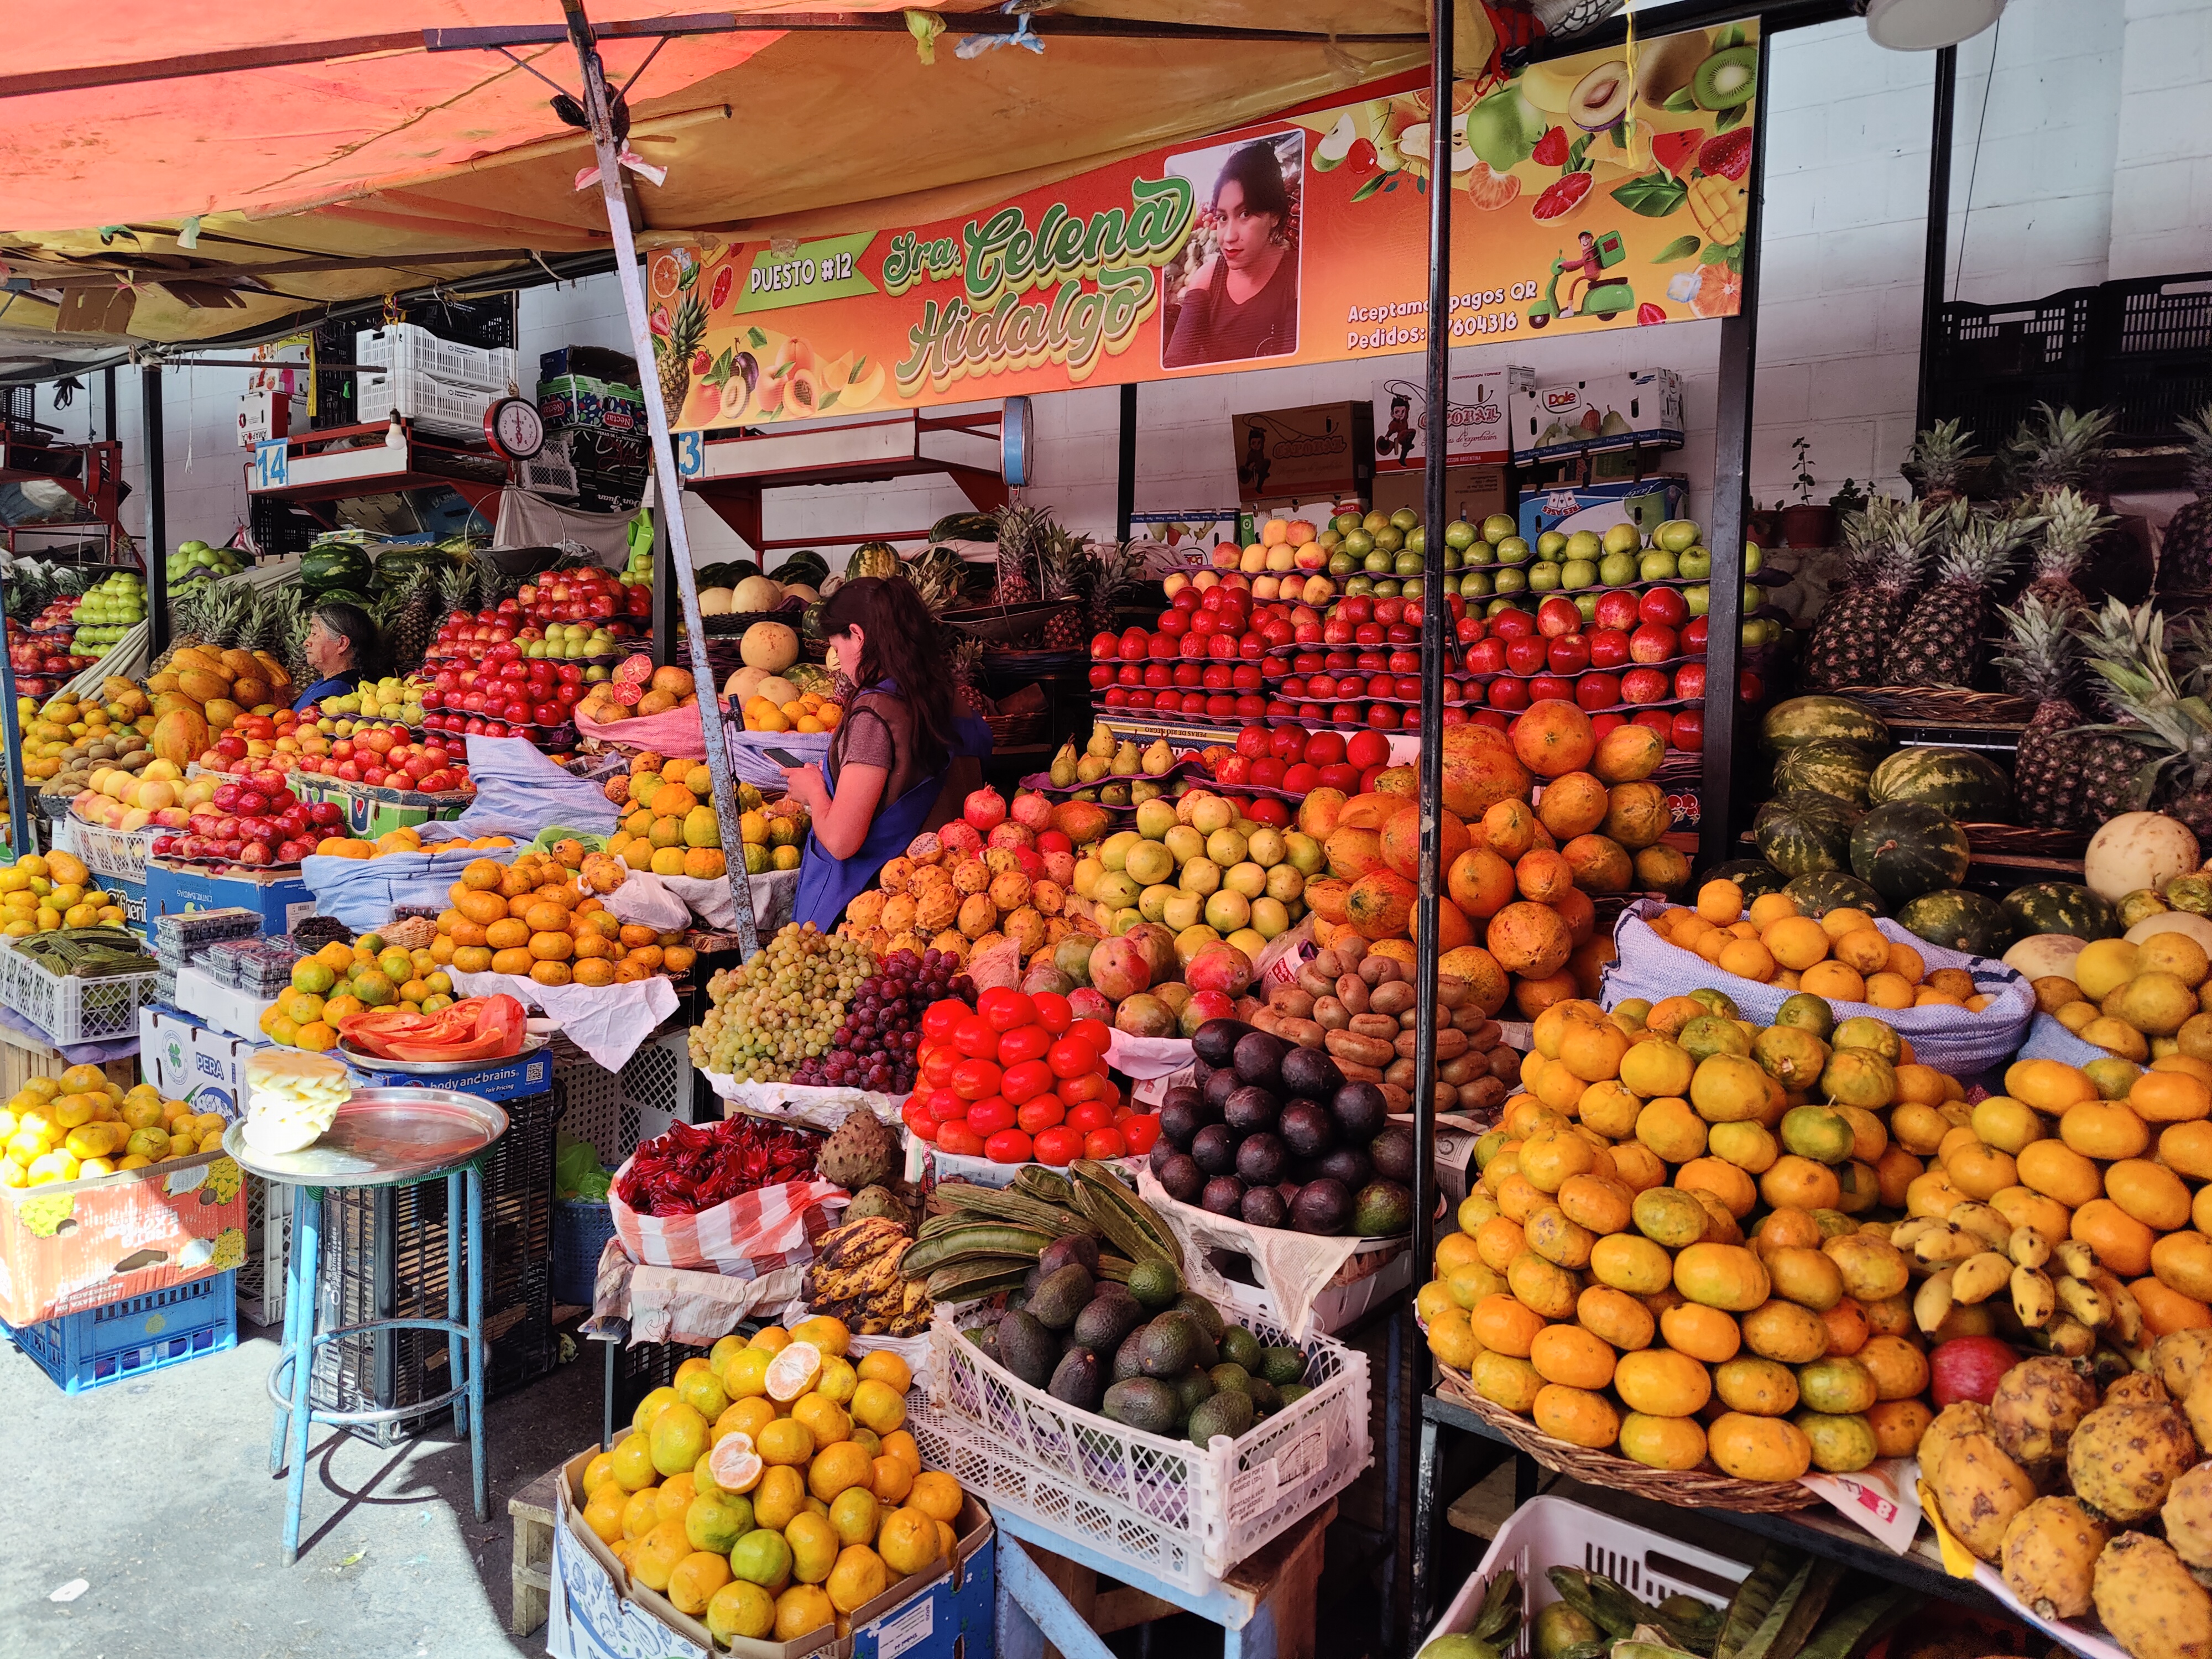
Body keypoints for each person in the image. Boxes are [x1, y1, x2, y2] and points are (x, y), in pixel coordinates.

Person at [781, 577, 992, 931]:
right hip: (947, 899)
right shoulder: (946, 696)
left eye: (837, 645)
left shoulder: (874, 714)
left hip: (874, 911)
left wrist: (813, 790)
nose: (839, 660)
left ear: (858, 636)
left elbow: (842, 841)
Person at [1163, 140, 1298, 368]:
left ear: (1274, 215)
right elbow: (1176, 363)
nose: (1228, 237)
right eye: (1223, 218)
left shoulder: (1297, 278)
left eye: (1245, 214)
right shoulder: (1207, 279)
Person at [291, 602, 378, 713]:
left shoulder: (334, 694)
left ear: (342, 644)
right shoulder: (326, 682)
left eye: (315, 634)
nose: (306, 642)